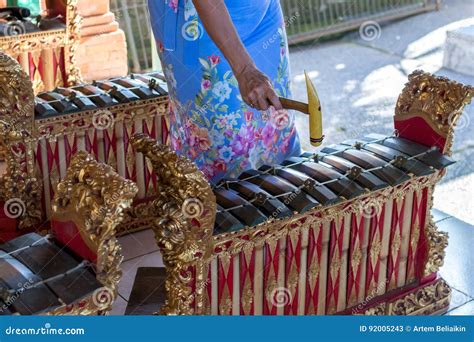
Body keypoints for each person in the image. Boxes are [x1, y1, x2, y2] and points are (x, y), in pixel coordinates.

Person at [148, 0, 301, 183]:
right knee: (225, 149)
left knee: (277, 132)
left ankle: (284, 204)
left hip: (263, 13)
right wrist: (245, 69)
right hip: (198, 19)